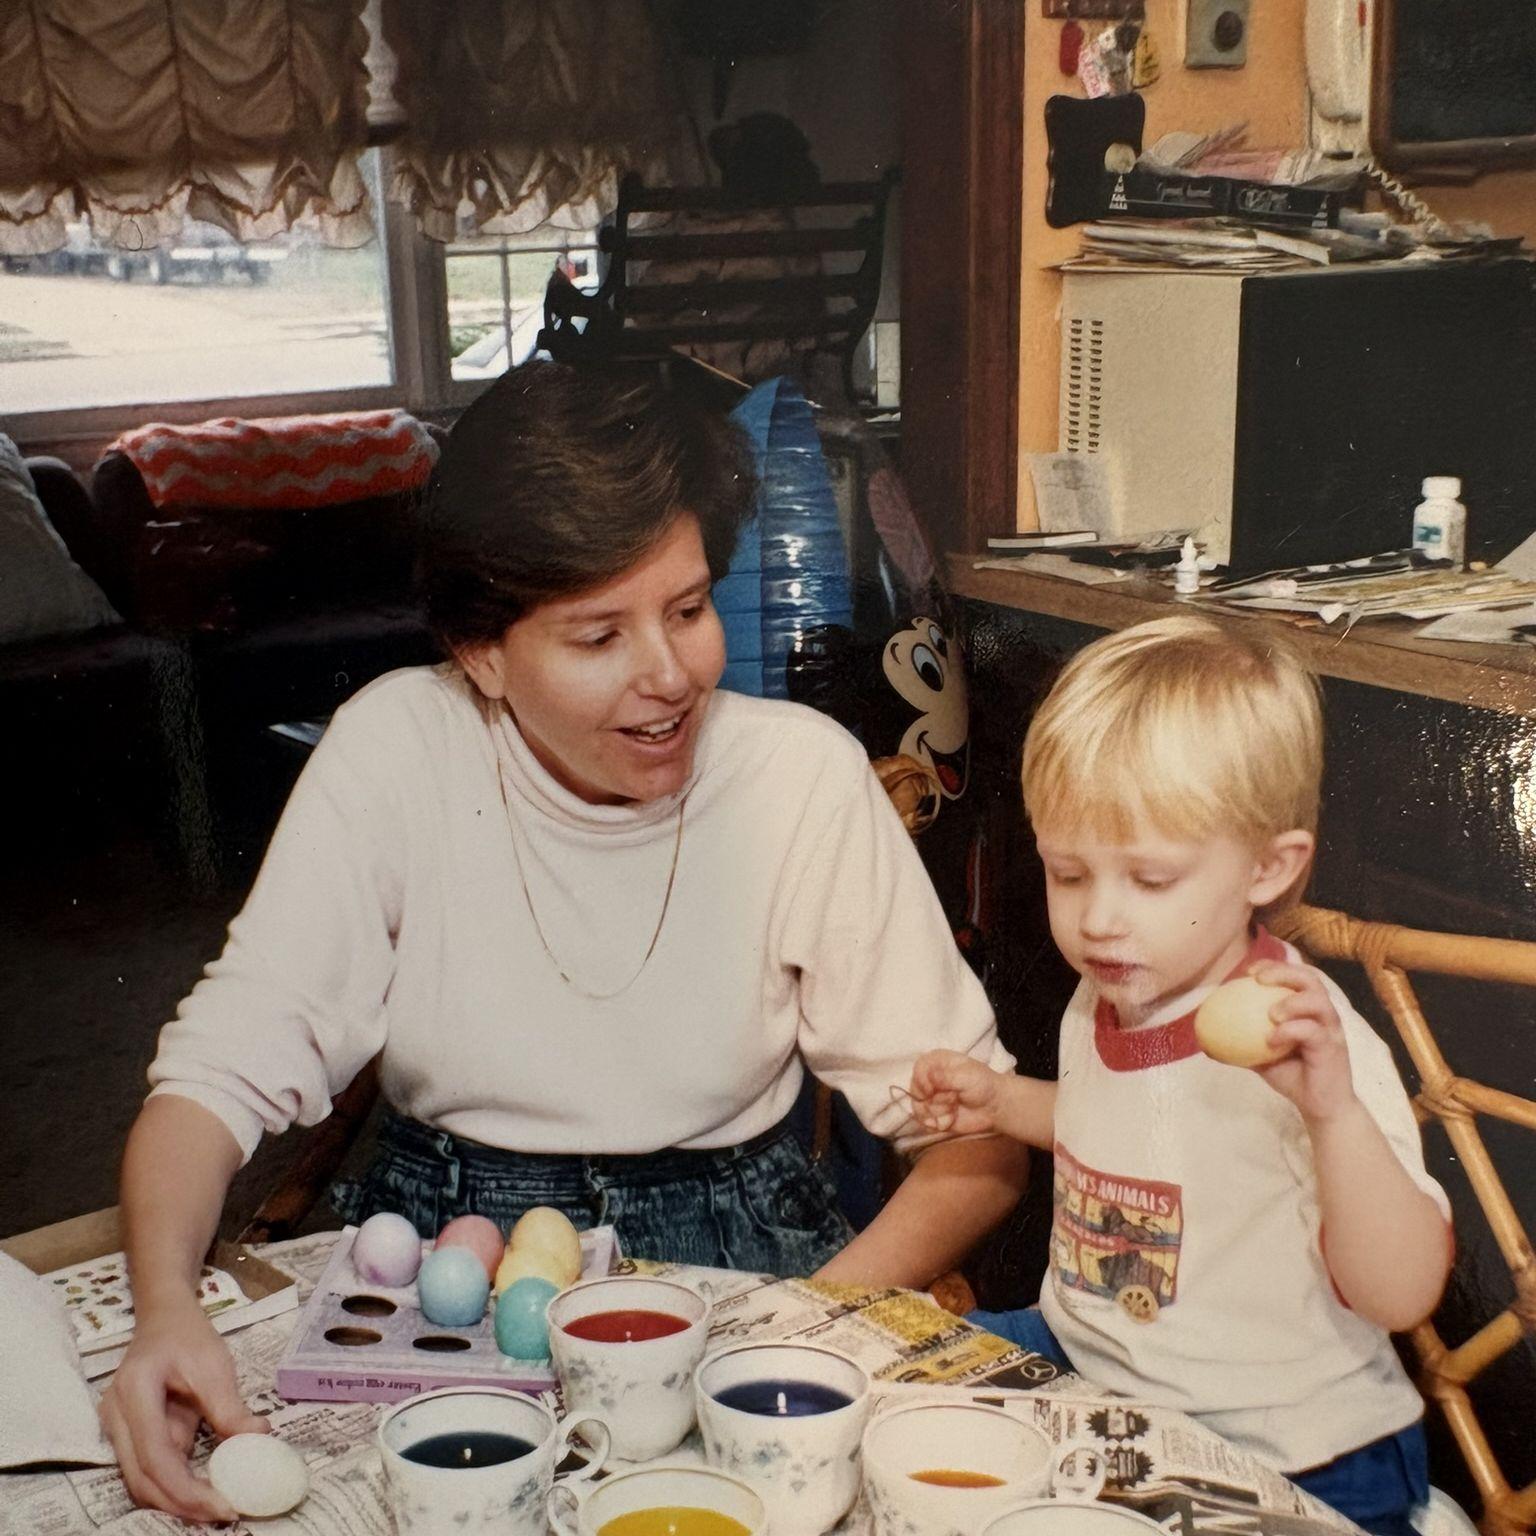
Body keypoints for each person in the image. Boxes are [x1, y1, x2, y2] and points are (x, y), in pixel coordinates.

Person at [100, 360, 1027, 1522]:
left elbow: (985, 1144)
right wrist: (164, 1315)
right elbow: (215, 1075)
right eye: (598, 636)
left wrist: (806, 1321)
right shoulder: (397, 747)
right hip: (448, 1251)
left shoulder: (799, 776)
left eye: (688, 610)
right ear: (480, 652)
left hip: (747, 1259)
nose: (670, 677)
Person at [906, 615, 1452, 1536]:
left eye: (1151, 881)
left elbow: (1401, 1294)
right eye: (1068, 873)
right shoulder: (1109, 993)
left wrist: (1335, 1117)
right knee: (901, 1387)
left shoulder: (1304, 1043)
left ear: (1268, 869)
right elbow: (1107, 1122)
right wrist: (1000, 1101)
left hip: (1290, 1441)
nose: (1100, 920)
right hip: (1096, 1368)